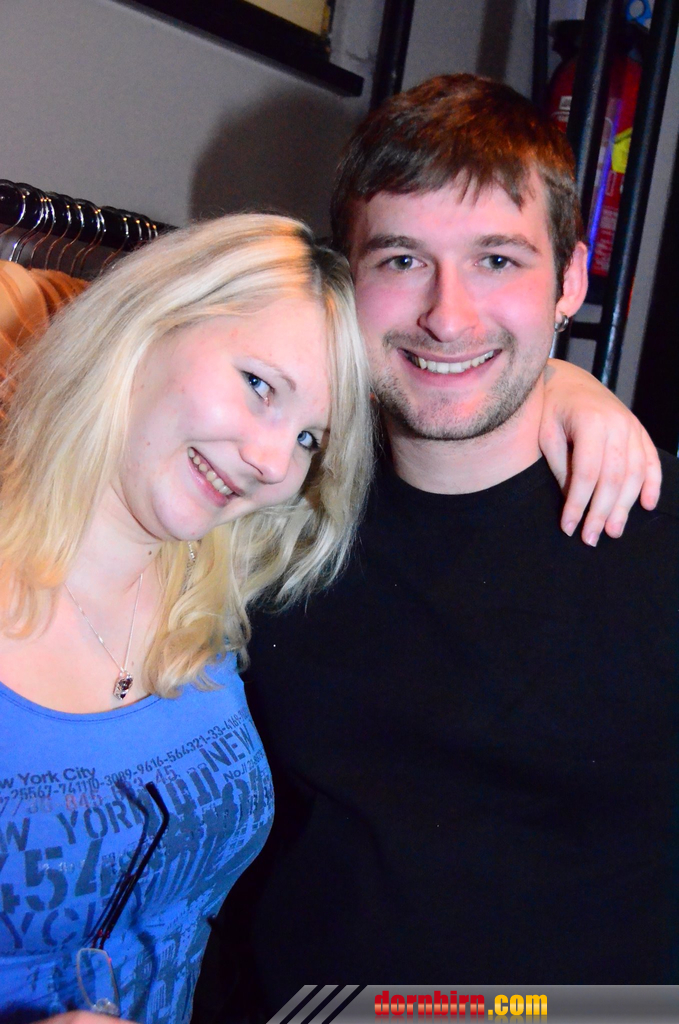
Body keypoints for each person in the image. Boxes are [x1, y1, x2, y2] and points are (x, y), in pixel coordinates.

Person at [195, 75, 678, 1017]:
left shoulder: (657, 540)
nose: (447, 316)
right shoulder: (268, 519)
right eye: (402, 259)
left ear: (570, 281)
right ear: (346, 280)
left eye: (497, 259)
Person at [0, 213, 374, 1024]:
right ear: (150, 321)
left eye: (310, 438)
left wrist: (561, 386)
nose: (273, 463)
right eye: (259, 385)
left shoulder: (224, 596)